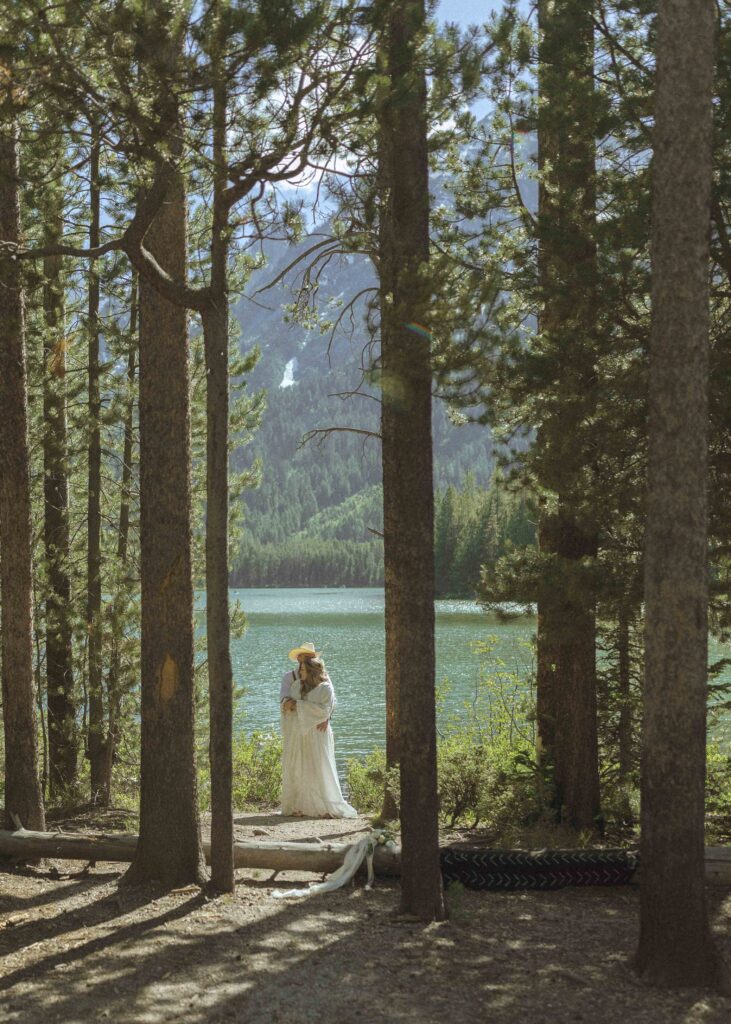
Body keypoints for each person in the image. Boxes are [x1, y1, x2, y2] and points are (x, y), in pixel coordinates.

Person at [279, 642, 357, 818]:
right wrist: (294, 706)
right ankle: (299, 804)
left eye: (307, 658)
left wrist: (326, 718)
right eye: (301, 659)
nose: (302, 662)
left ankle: (323, 802)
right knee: (298, 766)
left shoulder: (324, 680)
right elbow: (285, 702)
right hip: (298, 730)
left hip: (317, 730)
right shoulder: (290, 679)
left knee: (320, 764)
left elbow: (330, 702)